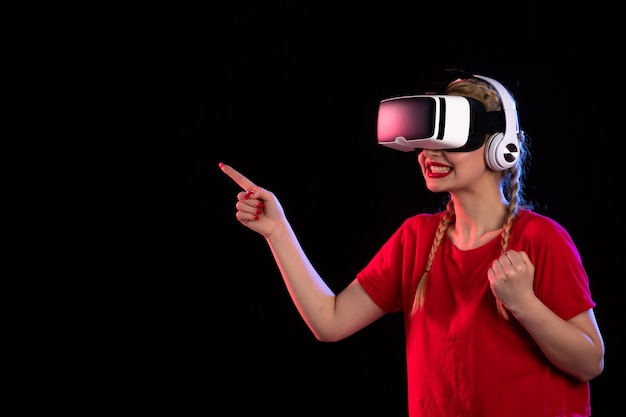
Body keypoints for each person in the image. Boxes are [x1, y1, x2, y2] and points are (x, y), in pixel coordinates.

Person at [218, 71, 605, 417]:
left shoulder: (540, 238)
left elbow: (590, 362)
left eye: (450, 140)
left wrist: (524, 304)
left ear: (498, 146)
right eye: (425, 142)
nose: (429, 155)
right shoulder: (416, 238)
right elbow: (330, 321)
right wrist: (278, 231)